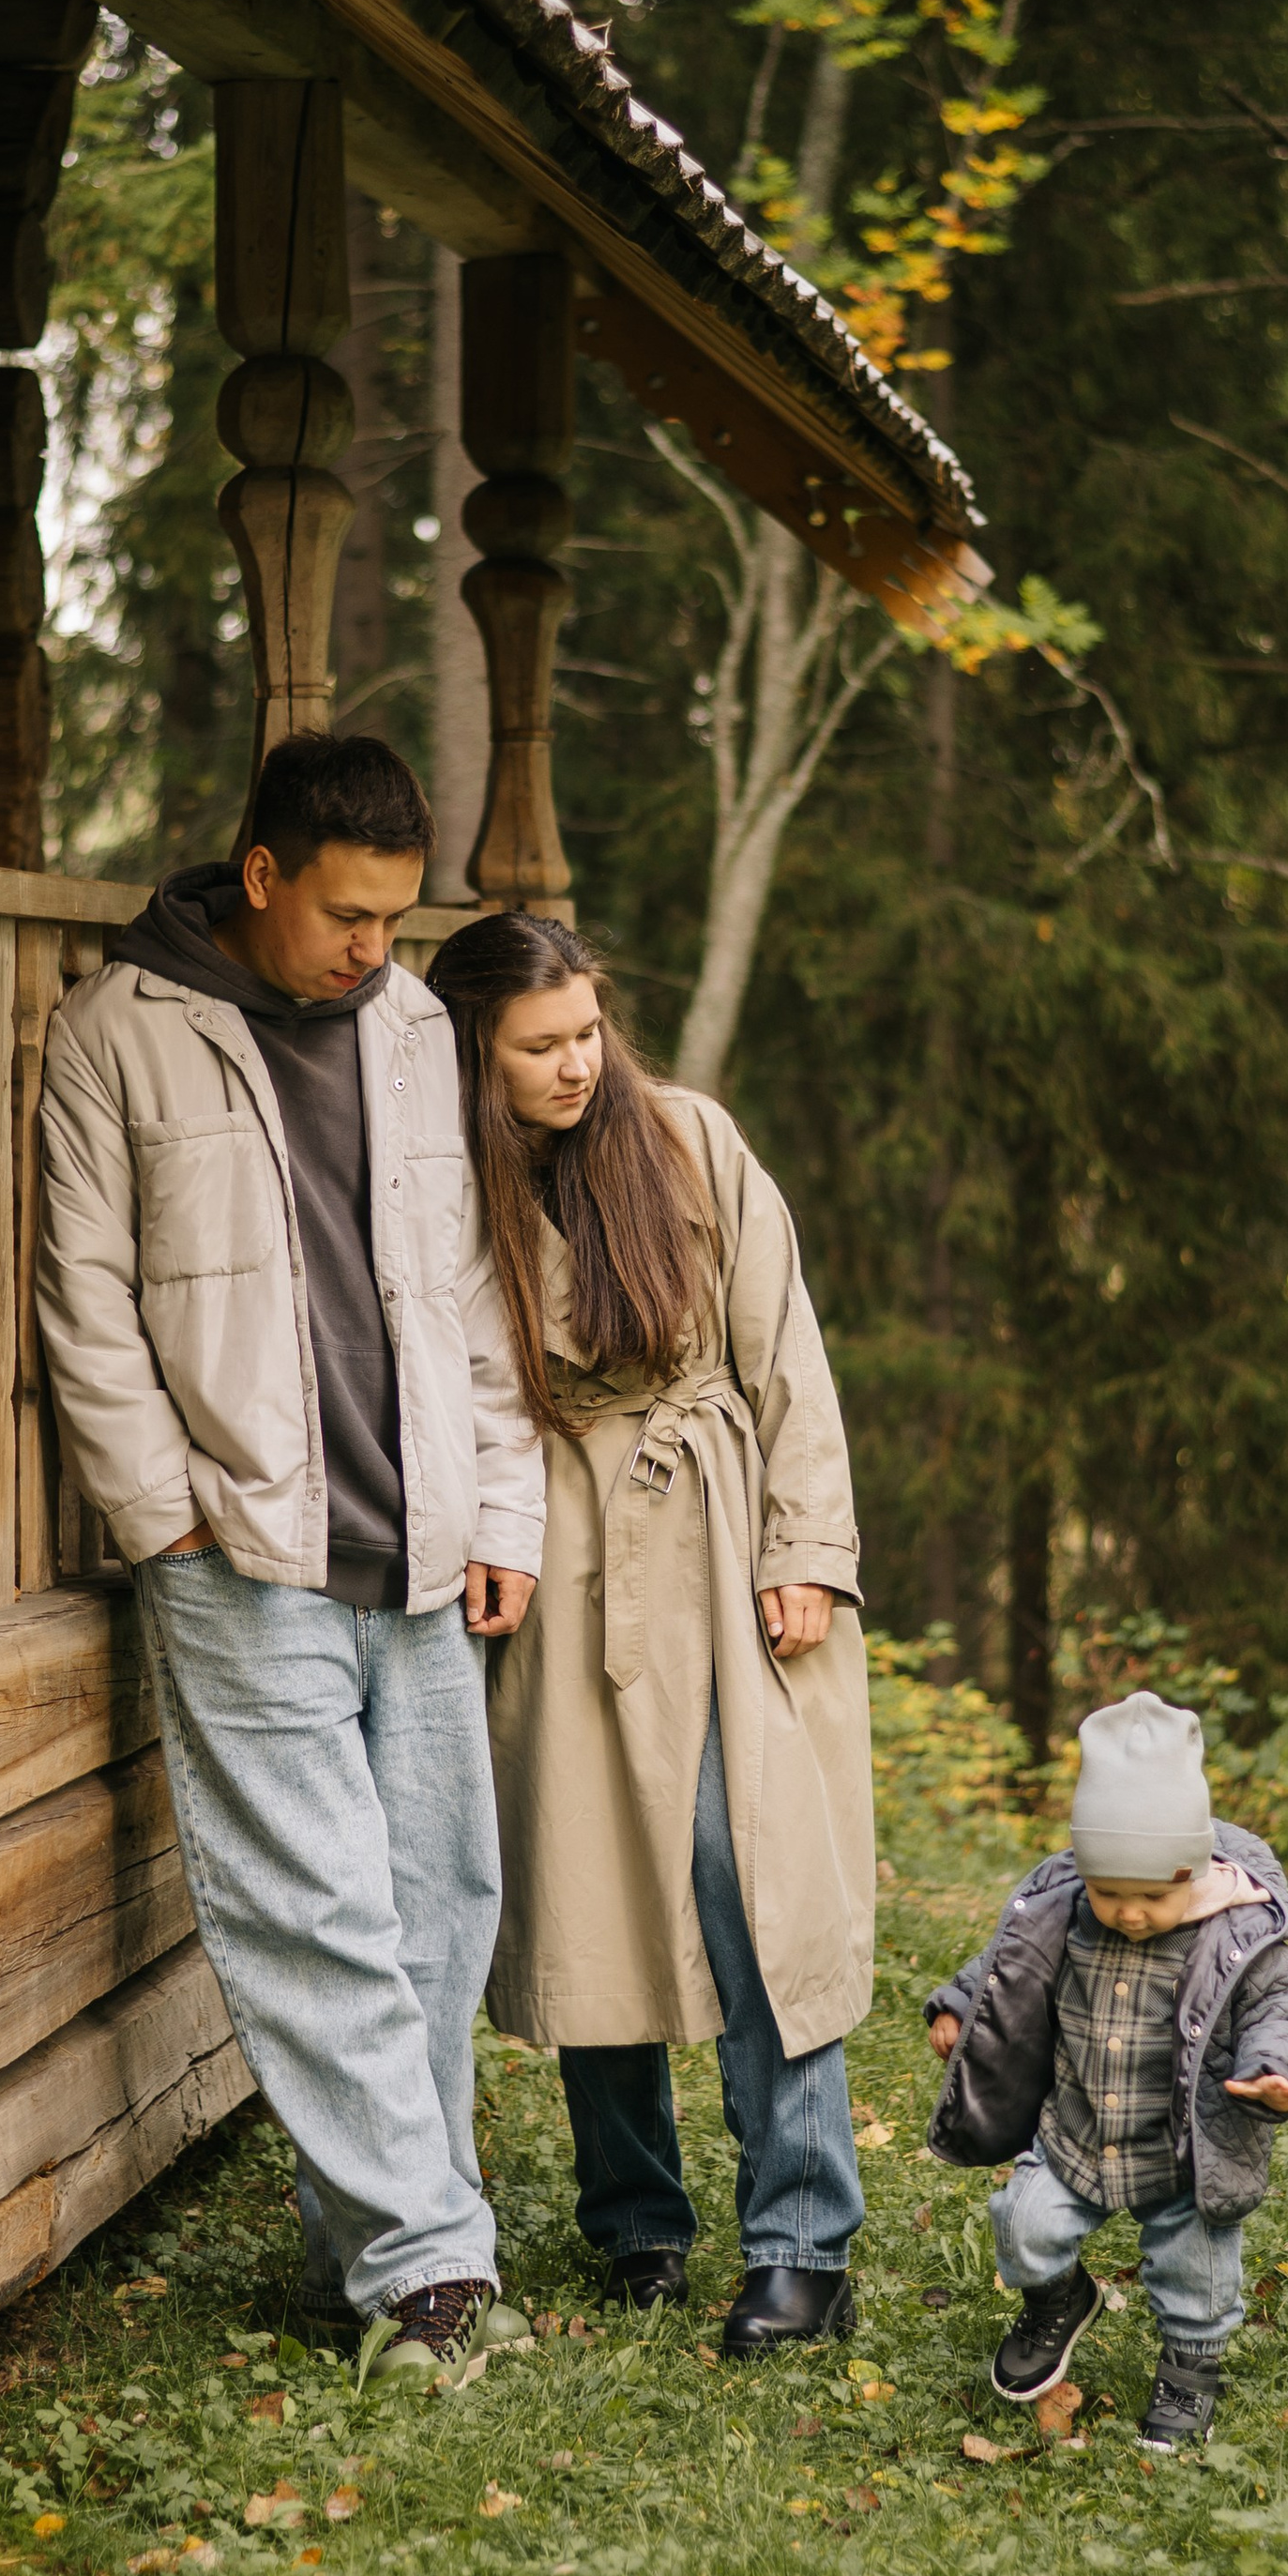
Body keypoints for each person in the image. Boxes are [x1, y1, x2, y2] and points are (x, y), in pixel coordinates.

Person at [35, 733, 544, 2387]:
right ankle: (429, 2267)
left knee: (437, 1902)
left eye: (396, 916)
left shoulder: (407, 1028)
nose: (372, 948)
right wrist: (160, 1509)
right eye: (346, 912)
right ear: (262, 875)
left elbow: (471, 1286)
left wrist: (506, 1505)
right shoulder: (120, 1032)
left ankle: (390, 2239)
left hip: (422, 1535)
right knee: (313, 1910)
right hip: (241, 1542)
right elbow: (85, 1297)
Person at [424, 908, 873, 2358]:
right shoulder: (451, 1186)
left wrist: (805, 1549)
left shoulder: (685, 1138)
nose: (574, 1065)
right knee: (589, 1881)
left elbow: (785, 1349)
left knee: (753, 1881)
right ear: (477, 1059)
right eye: (539, 1046)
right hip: (557, 1543)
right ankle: (636, 2226)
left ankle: (802, 2241)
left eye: (586, 1033)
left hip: (719, 1531)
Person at [923, 1689, 1288, 2449]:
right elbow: (1004, 1965)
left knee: (1196, 2266)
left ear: (1194, 1869)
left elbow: (1285, 2009)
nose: (1129, 1913)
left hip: (1184, 2148)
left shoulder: (1237, 1934)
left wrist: (1271, 2071)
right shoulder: (1065, 1909)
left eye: (1150, 1895)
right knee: (1024, 2223)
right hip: (1077, 2131)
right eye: (1108, 1892)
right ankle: (1059, 2300)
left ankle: (1189, 2372)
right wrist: (958, 2007)